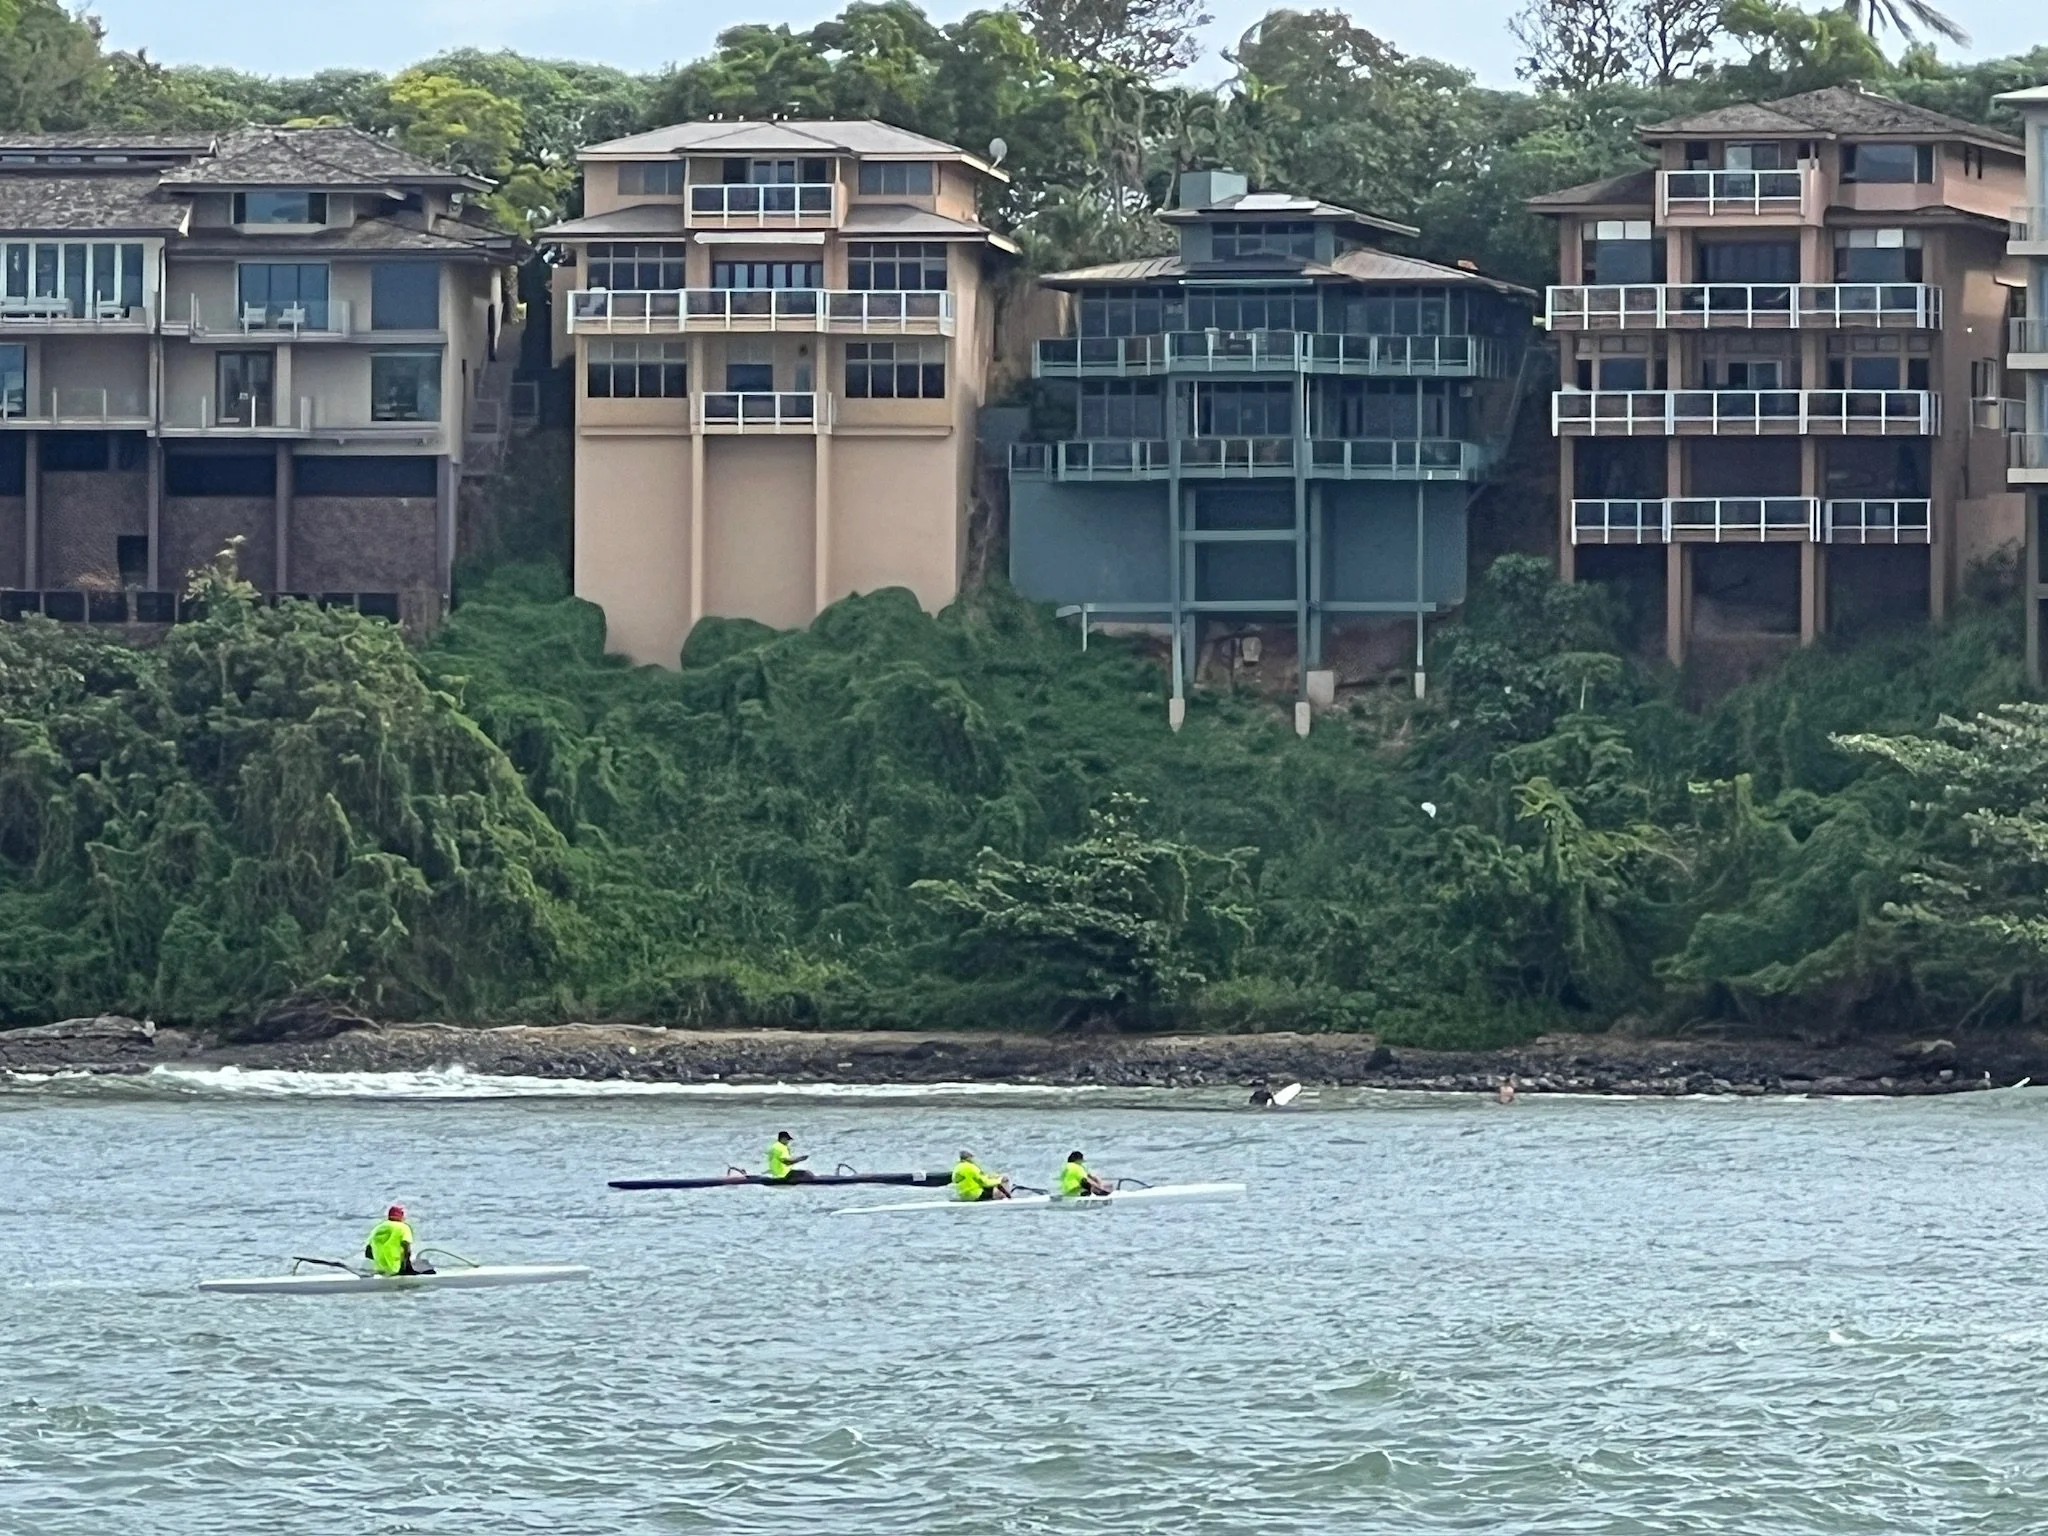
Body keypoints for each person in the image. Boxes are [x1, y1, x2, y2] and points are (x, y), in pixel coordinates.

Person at [365, 1204, 434, 1277]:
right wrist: (407, 1268)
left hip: (379, 1269)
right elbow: (406, 1248)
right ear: (401, 1216)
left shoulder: (377, 1228)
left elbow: (368, 1253)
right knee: (425, 1264)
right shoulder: (403, 1227)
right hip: (397, 1268)